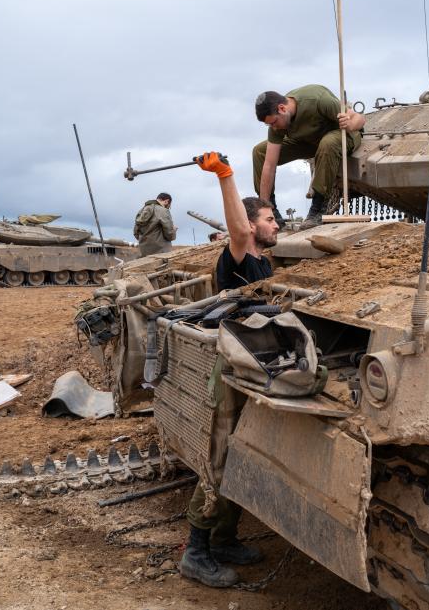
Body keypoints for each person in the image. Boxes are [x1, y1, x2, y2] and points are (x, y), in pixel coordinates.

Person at [172, 152, 280, 588]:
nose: (276, 225)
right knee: (220, 458)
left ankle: (224, 537)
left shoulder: (264, 263)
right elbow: (237, 228)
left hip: (253, 366)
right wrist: (226, 175)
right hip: (233, 368)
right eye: (269, 219)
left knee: (242, 451)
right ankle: (196, 553)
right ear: (251, 225)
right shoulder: (238, 255)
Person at [253, 85, 365, 229]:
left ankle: (318, 209)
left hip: (343, 135)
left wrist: (350, 123)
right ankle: (272, 212)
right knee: (259, 152)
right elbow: (268, 164)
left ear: (282, 108)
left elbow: (359, 118)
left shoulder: (318, 100)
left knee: (327, 143)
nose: (273, 128)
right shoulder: (277, 122)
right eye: (269, 125)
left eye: (274, 123)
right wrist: (264, 208)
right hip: (310, 142)